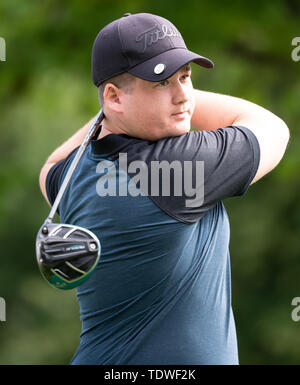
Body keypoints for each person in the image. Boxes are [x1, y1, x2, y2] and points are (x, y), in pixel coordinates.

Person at [39, 12, 290, 365]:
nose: (183, 95)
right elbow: (273, 129)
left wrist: (108, 114)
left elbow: (49, 167)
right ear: (114, 96)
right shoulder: (174, 170)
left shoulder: (76, 173)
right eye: (161, 83)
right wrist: (175, 103)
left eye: (186, 77)